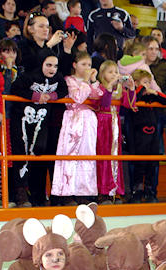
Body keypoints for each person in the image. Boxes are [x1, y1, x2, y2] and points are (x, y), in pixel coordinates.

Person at [8, 53, 68, 207]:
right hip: (22, 119)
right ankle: (21, 193)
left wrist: (52, 96)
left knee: (38, 152)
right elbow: (14, 89)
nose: (52, 69)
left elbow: (64, 90)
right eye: (48, 65)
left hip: (41, 122)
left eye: (55, 66)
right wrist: (34, 95)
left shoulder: (58, 78)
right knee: (21, 154)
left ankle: (35, 194)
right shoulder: (29, 76)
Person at [52, 50, 101, 200]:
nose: (87, 67)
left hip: (89, 120)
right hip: (73, 118)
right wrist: (85, 81)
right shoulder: (69, 80)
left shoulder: (89, 82)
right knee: (70, 153)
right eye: (83, 64)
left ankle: (84, 191)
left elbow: (98, 97)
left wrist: (93, 81)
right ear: (75, 65)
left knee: (87, 154)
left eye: (89, 65)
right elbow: (78, 97)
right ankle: (67, 192)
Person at [126, 69, 166, 203]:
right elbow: (133, 99)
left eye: (149, 82)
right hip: (138, 135)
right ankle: (137, 190)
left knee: (152, 163)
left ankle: (150, 190)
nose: (148, 85)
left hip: (153, 135)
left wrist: (155, 92)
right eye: (145, 82)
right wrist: (140, 88)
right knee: (139, 163)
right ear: (136, 83)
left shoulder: (151, 96)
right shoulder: (133, 95)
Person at [94, 60, 129, 202]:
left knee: (115, 156)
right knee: (103, 156)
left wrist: (131, 89)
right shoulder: (100, 88)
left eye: (116, 72)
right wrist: (109, 88)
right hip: (103, 123)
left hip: (115, 125)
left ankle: (115, 190)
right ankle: (102, 191)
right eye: (110, 72)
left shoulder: (120, 89)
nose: (114, 75)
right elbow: (104, 104)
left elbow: (130, 104)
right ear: (102, 74)